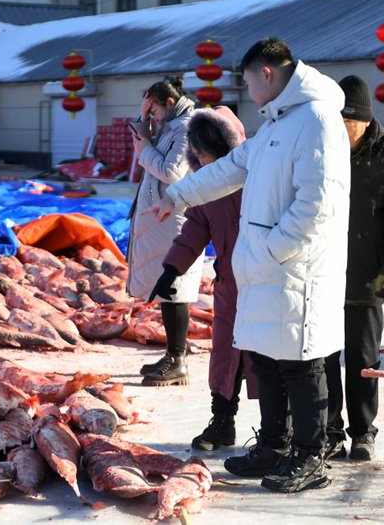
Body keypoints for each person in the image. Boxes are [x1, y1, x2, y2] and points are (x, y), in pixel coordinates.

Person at [144, 38, 350, 493]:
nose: (245, 90)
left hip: (296, 271)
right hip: (264, 271)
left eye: (246, 80)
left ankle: (311, 455)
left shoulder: (316, 121)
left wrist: (270, 251)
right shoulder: (278, 124)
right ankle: (274, 446)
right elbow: (229, 168)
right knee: (268, 360)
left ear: (268, 74)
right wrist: (177, 196)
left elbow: (317, 206)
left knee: (301, 364)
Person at [324, 75, 384, 461]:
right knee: (324, 358)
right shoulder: (325, 152)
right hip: (324, 275)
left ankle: (363, 432)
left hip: (367, 279)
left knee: (363, 360)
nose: (342, 132)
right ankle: (329, 430)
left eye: (347, 124)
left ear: (364, 121)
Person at [148, 105, 258, 450]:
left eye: (205, 153)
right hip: (228, 286)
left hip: (263, 285)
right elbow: (195, 229)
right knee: (224, 358)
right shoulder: (203, 189)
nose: (201, 161)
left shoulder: (258, 178)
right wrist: (171, 269)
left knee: (266, 363)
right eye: (196, 155)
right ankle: (222, 423)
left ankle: (276, 432)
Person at [128, 76, 203, 387]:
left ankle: (178, 359)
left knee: (177, 290)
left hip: (175, 218)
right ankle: (172, 354)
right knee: (167, 290)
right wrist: (142, 122)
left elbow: (172, 173)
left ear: (170, 104)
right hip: (162, 218)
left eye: (154, 111)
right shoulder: (171, 126)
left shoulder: (186, 128)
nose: (153, 117)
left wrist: (145, 146)